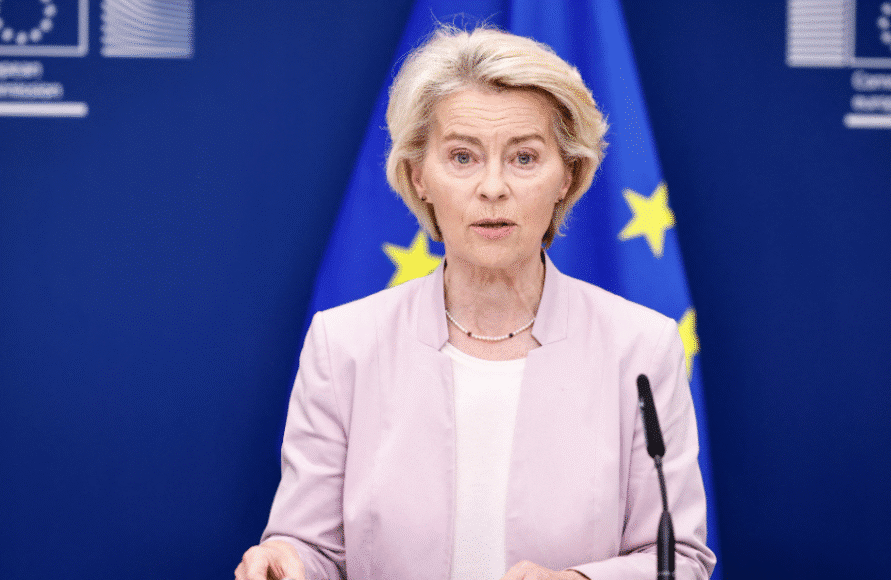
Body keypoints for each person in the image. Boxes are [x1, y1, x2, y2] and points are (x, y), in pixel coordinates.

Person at [236, 24, 716, 580]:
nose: (493, 187)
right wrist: (285, 562)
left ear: (568, 175)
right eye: (462, 157)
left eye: (525, 158)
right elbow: (311, 548)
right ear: (418, 177)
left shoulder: (641, 349)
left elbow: (678, 560)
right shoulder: (345, 345)